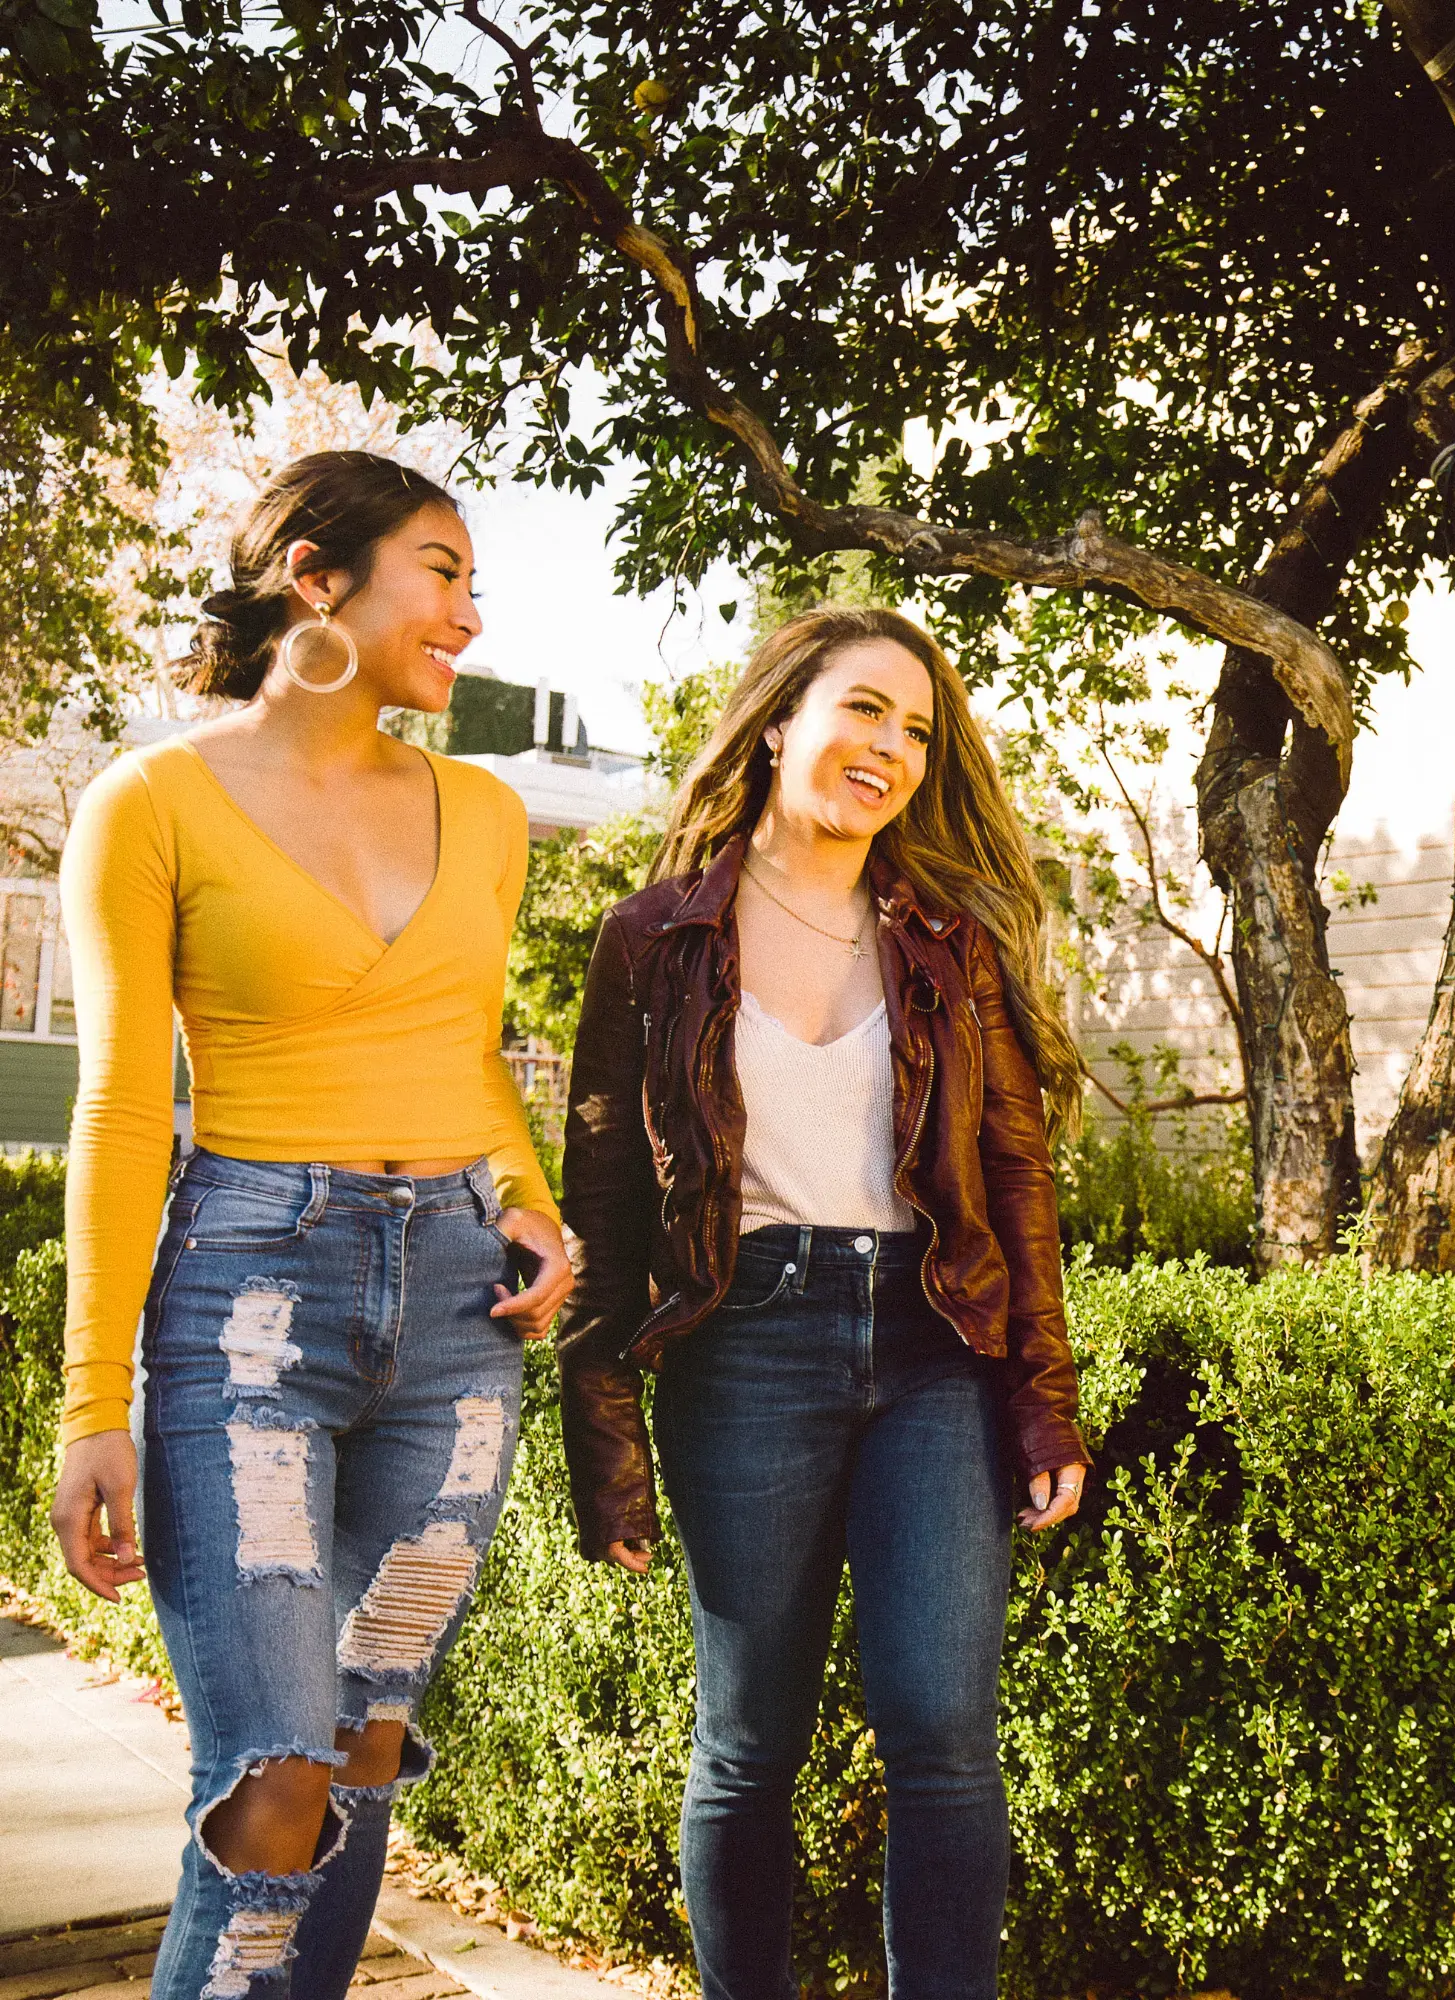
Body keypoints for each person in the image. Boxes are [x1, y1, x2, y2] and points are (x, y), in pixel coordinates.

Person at [49, 451, 572, 2000]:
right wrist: (93, 1410)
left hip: (457, 1325)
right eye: (442, 569)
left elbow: (471, 1047)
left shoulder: (484, 810)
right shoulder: (146, 803)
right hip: (247, 1310)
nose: (471, 614)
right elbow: (125, 1111)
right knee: (274, 1782)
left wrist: (531, 1204)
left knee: (360, 1753)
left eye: (474, 580)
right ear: (317, 580)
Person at [557, 605, 1089, 1999]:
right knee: (748, 1744)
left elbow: (1016, 1183)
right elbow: (603, 1211)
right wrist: (603, 1445)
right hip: (744, 1350)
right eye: (866, 710)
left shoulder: (946, 944)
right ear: (782, 718)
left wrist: (1042, 1403)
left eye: (918, 729)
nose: (894, 748)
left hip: (932, 1348)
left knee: (941, 1729)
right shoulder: (654, 942)